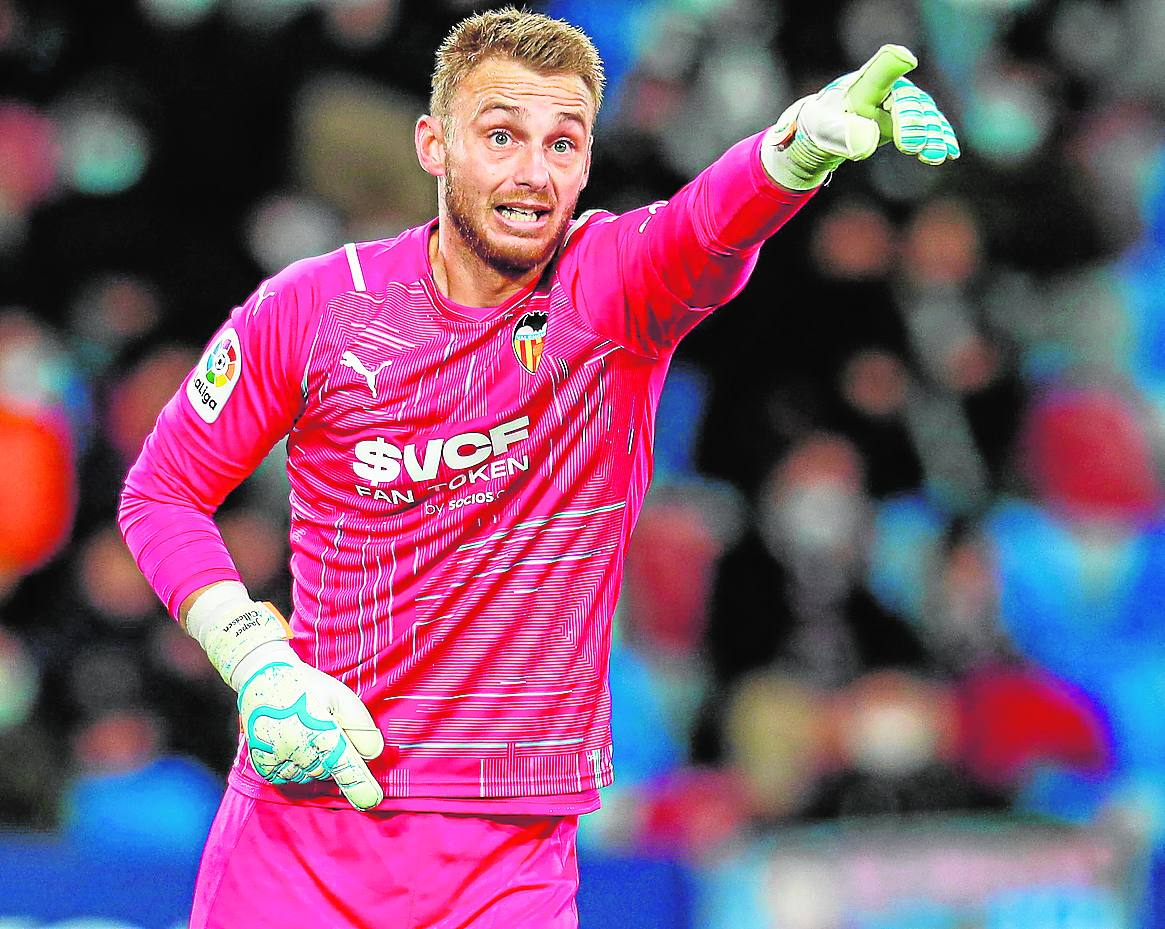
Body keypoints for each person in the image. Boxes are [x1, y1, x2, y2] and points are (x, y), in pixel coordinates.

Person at [118, 7, 958, 928]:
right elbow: (162, 490)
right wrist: (255, 660)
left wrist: (793, 152)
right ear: (433, 145)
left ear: (588, 162)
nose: (532, 172)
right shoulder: (316, 308)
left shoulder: (611, 291)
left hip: (506, 863)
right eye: (501, 135)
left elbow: (704, 227)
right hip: (306, 829)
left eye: (562, 143)